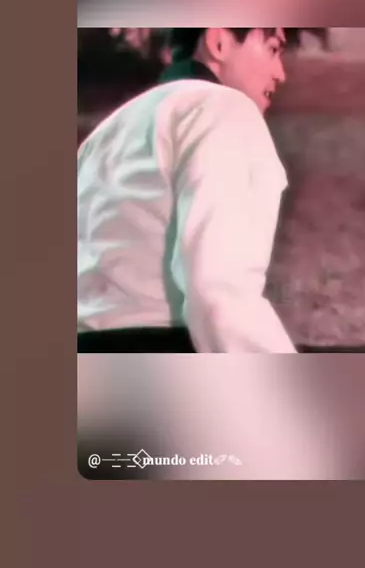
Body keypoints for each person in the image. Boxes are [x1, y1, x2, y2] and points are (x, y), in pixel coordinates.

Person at [78, 27, 301, 353]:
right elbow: (219, 292)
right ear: (219, 42)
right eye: (273, 48)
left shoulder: (106, 133)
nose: (280, 73)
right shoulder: (223, 108)